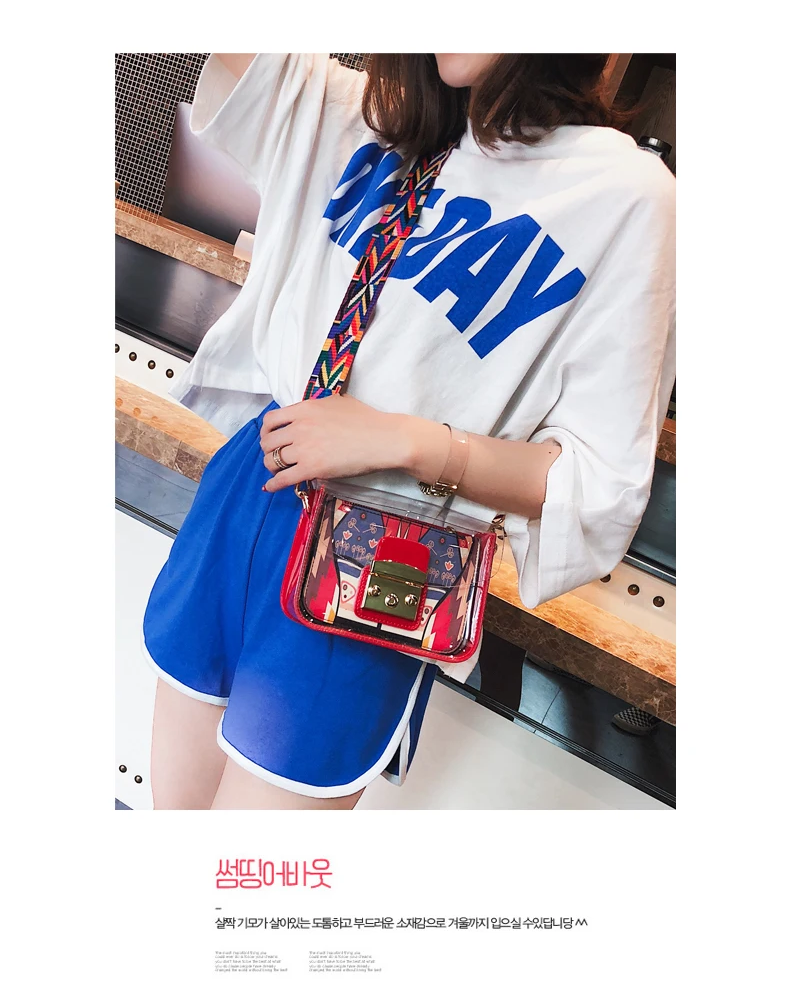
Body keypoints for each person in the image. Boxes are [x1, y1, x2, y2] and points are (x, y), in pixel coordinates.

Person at [141, 53, 676, 810]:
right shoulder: (362, 114)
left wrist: (407, 441)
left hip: (377, 551)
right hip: (246, 492)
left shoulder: (625, 195)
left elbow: (599, 484)